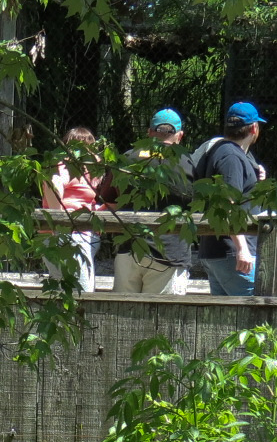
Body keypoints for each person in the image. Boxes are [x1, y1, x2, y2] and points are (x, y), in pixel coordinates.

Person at [112, 108, 194, 295]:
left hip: (129, 247)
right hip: (170, 252)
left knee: (121, 314)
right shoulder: (188, 163)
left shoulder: (127, 158)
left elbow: (109, 198)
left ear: (149, 133)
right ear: (180, 136)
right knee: (164, 319)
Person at [196, 101, 267, 297]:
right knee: (254, 318)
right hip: (231, 253)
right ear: (254, 128)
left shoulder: (226, 152)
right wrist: (241, 249)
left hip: (220, 250)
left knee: (227, 322)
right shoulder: (231, 157)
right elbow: (227, 205)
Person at [43, 126, 113, 293]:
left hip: (80, 234)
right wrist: (60, 227)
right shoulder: (62, 165)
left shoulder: (91, 170)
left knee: (65, 290)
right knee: (84, 293)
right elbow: (53, 186)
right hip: (69, 235)